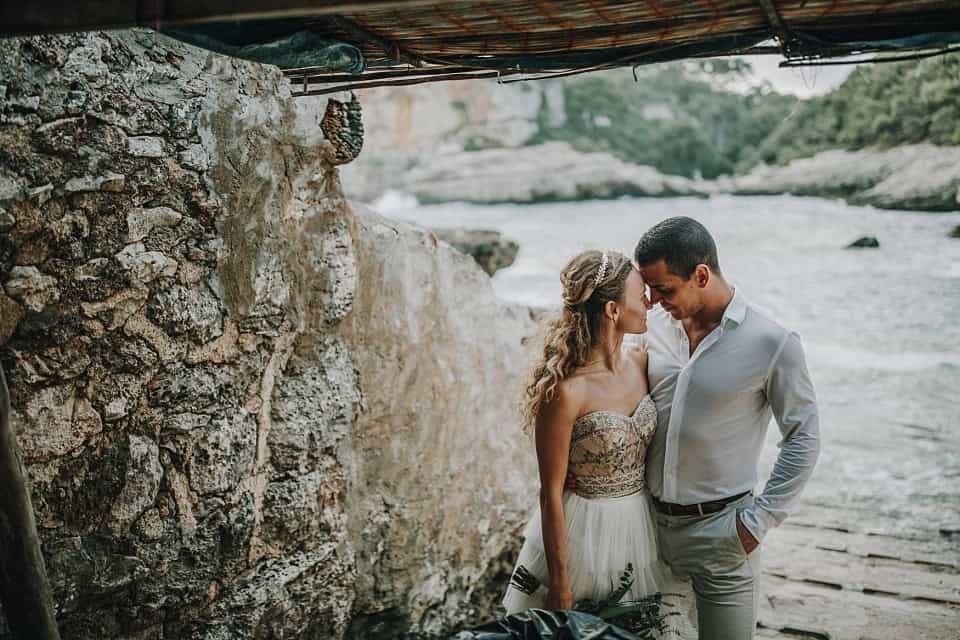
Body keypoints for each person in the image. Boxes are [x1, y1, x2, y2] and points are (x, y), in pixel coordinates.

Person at [635, 217, 821, 640]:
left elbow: (804, 436)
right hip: (648, 531)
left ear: (701, 275)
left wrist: (759, 521)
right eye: (649, 291)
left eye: (665, 290)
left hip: (722, 535)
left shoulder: (772, 342)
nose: (655, 301)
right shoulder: (653, 329)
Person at [502, 249, 668, 616]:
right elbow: (551, 493)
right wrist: (560, 583)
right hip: (586, 533)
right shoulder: (565, 393)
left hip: (640, 523)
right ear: (612, 311)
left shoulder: (642, 362)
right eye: (641, 296)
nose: (649, 303)